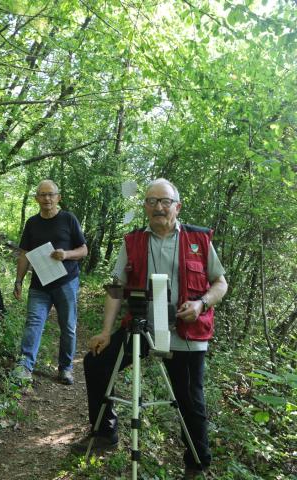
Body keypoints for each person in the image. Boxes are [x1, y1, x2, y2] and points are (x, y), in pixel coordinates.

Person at [72, 178, 227, 480]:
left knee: (190, 400)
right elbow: (116, 288)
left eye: (165, 201)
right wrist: (106, 331)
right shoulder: (132, 242)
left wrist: (201, 304)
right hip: (141, 327)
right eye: (152, 201)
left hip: (186, 332)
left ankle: (197, 463)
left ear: (177, 206)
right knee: (97, 361)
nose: (158, 207)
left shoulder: (199, 240)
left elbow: (220, 282)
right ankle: (105, 432)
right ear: (144, 206)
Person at [12, 180, 88, 385]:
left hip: (67, 282)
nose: (47, 198)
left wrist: (66, 254)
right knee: (34, 322)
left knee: (68, 326)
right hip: (39, 284)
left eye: (51, 194)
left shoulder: (68, 219)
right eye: (43, 195)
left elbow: (83, 250)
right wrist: (18, 281)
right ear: (36, 198)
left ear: (58, 197)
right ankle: (24, 366)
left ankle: (66, 368)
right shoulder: (32, 223)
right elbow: (25, 254)